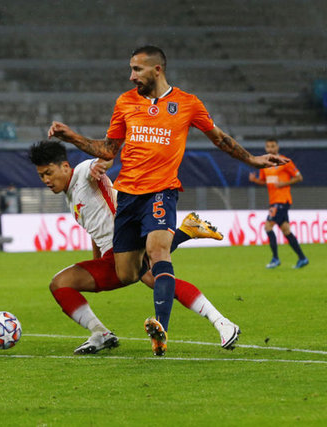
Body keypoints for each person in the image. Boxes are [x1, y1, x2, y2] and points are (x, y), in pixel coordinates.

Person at [48, 45, 286, 356]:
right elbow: (108, 150)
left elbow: (219, 138)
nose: (131, 76)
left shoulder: (188, 103)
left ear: (157, 69)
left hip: (161, 190)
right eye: (131, 69)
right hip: (128, 196)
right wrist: (71, 137)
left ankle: (160, 329)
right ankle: (186, 232)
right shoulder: (125, 102)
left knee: (157, 251)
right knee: (128, 273)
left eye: (137, 69)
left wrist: (252, 160)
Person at [28, 141, 239, 354]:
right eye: (41, 176)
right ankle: (101, 333)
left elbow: (106, 158)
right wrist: (96, 260)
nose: (46, 180)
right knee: (61, 284)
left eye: (48, 173)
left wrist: (100, 164)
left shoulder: (83, 171)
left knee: (155, 278)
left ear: (65, 166)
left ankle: (221, 321)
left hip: (126, 243)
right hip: (111, 256)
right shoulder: (70, 197)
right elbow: (95, 229)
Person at [248, 138, 308, 269]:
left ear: (277, 147)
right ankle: (302, 258)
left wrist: (283, 184)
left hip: (282, 200)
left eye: (273, 146)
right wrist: (255, 180)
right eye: (268, 147)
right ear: (266, 148)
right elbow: (265, 181)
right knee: (286, 230)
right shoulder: (264, 164)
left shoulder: (285, 161)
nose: (270, 149)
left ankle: (275, 259)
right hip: (273, 201)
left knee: (268, 227)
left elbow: (299, 177)